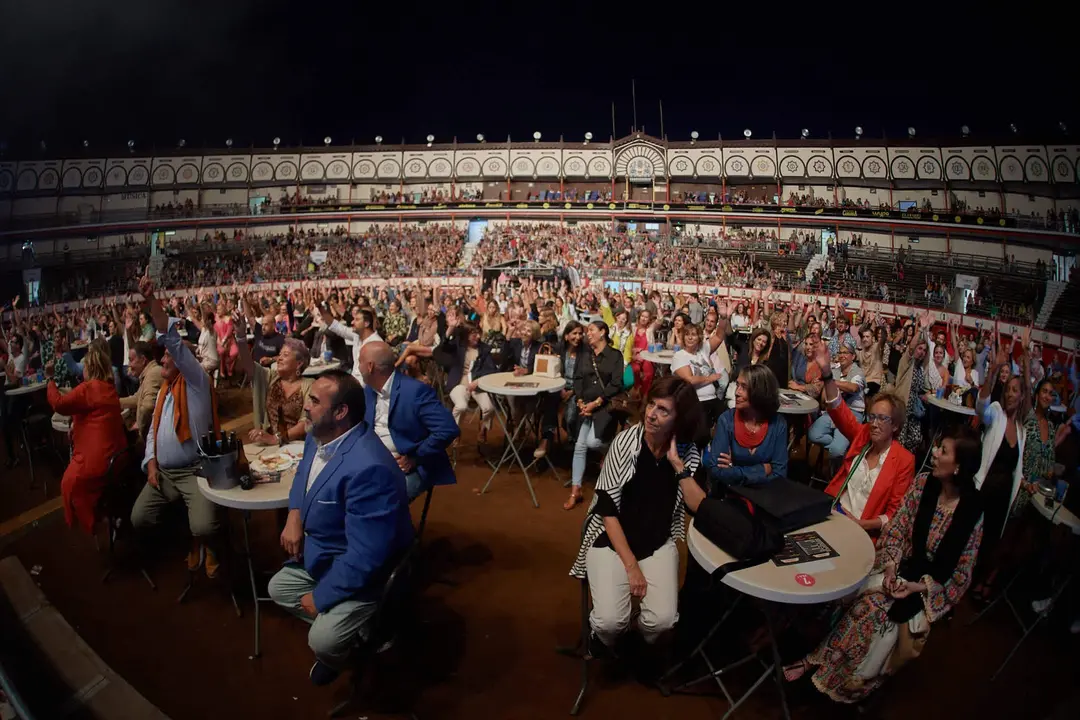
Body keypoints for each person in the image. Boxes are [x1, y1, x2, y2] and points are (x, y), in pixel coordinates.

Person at [784, 430, 985, 703]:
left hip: (922, 590)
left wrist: (916, 587)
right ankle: (809, 649)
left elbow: (960, 576)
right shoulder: (924, 483)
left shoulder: (972, 511)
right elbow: (898, 528)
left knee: (870, 611)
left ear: (959, 467)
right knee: (843, 582)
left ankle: (819, 668)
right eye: (937, 447)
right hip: (895, 564)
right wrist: (891, 568)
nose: (935, 454)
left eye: (944, 451)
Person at [268, 370, 414, 686]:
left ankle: (354, 646)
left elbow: (366, 556)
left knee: (322, 641)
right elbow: (303, 476)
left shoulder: (368, 468)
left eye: (315, 401)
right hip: (327, 554)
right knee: (277, 588)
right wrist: (294, 512)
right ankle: (350, 631)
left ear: (341, 412)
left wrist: (321, 597)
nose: (306, 406)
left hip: (364, 574)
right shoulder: (318, 435)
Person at [568, 377, 704, 657]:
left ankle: (636, 638)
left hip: (656, 542)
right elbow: (606, 510)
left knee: (662, 622)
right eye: (651, 405)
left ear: (679, 419)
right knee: (609, 623)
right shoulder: (626, 442)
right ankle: (603, 637)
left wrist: (679, 466)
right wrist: (631, 567)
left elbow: (697, 507)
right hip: (611, 540)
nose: (651, 414)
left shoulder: (688, 452)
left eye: (663, 410)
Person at [130, 274, 223, 578]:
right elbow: (153, 434)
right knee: (139, 518)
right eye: (166, 355)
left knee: (205, 525)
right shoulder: (164, 392)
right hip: (164, 473)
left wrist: (151, 300)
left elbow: (169, 338)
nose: (166, 358)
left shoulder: (196, 382)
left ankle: (205, 542)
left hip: (194, 471)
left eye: (172, 355)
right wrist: (151, 462)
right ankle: (187, 538)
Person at [813, 345, 914, 534]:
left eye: (882, 418)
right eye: (872, 417)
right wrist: (827, 373)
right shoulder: (863, 436)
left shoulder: (904, 460)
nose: (874, 424)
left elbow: (894, 513)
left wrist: (861, 525)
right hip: (835, 513)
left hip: (862, 530)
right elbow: (838, 410)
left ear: (895, 425)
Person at [44, 342, 129, 534]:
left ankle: (100, 521)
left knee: (70, 484)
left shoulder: (88, 388)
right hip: (118, 456)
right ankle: (108, 517)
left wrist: (50, 379)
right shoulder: (108, 387)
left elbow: (59, 404)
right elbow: (92, 416)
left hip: (98, 461)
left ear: (89, 368)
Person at [358, 342, 459, 501]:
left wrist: (415, 458)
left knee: (381, 501)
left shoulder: (415, 391)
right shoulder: (369, 390)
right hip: (373, 461)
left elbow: (447, 429)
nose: (358, 368)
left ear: (370, 367)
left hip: (411, 467)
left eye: (360, 362)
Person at [971, 343, 1029, 602]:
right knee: (971, 536)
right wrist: (993, 372)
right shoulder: (995, 412)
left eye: (1015, 391)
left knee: (990, 542)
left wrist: (1025, 483)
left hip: (1003, 496)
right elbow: (980, 408)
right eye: (1008, 390)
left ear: (1022, 396)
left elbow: (1016, 468)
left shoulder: (1022, 432)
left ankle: (978, 582)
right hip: (984, 488)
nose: (1009, 394)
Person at [566, 321, 625, 510]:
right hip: (586, 407)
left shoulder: (615, 356)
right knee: (580, 446)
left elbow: (616, 384)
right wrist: (581, 401)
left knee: (592, 443)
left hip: (605, 408)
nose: (587, 333)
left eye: (591, 330)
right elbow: (577, 379)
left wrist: (596, 402)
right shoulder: (585, 354)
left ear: (603, 332)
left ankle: (610, 450)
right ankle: (576, 489)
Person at [706, 363, 788, 487]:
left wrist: (735, 469)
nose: (737, 392)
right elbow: (717, 471)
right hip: (730, 494)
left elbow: (780, 474)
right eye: (737, 385)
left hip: (766, 497)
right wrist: (762, 469)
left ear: (760, 391)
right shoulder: (726, 420)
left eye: (744, 387)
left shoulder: (777, 424)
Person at [433, 320, 497, 442]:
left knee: (489, 408)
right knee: (461, 406)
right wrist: (450, 330)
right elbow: (442, 347)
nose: (478, 337)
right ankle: (454, 431)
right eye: (474, 334)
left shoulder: (484, 349)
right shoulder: (457, 345)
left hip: (477, 383)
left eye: (478, 333)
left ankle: (483, 427)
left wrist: (477, 382)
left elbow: (491, 370)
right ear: (466, 335)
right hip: (459, 382)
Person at [245, 336, 314, 446]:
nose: (279, 359)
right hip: (268, 441)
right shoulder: (271, 377)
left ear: (299, 364)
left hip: (296, 445)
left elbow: (306, 421)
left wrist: (276, 439)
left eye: (285, 355)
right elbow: (247, 365)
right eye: (280, 355)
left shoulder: (309, 385)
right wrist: (240, 337)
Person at [808, 338, 866, 462]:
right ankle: (840, 450)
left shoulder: (857, 372)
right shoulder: (835, 370)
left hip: (852, 414)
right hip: (833, 412)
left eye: (845, 353)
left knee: (837, 450)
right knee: (813, 435)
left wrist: (830, 381)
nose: (842, 355)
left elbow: (853, 388)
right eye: (840, 352)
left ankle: (838, 460)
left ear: (853, 356)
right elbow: (825, 398)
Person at [536, 321, 585, 459]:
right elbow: (553, 371)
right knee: (550, 403)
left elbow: (585, 377)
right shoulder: (559, 350)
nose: (578, 337)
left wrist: (572, 391)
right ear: (566, 336)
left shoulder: (585, 352)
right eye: (574, 333)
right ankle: (546, 439)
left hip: (576, 390)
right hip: (558, 387)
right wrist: (561, 388)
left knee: (570, 417)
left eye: (580, 333)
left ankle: (573, 442)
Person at [671, 322, 728, 430]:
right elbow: (689, 380)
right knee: (702, 434)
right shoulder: (679, 356)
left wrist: (724, 318)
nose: (690, 337)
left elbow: (719, 336)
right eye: (687, 334)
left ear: (699, 337)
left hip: (712, 399)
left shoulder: (703, 350)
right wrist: (709, 378)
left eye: (694, 334)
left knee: (727, 423)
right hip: (696, 402)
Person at [321, 305, 383, 385]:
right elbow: (337, 327)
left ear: (366, 323)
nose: (352, 322)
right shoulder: (356, 335)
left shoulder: (377, 343)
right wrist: (320, 307)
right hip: (354, 383)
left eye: (356, 320)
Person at [119, 341, 164, 439]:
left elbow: (147, 407)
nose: (129, 365)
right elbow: (137, 398)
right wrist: (114, 402)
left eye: (131, 360)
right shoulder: (149, 373)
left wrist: (139, 427)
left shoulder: (153, 374)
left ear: (143, 360)